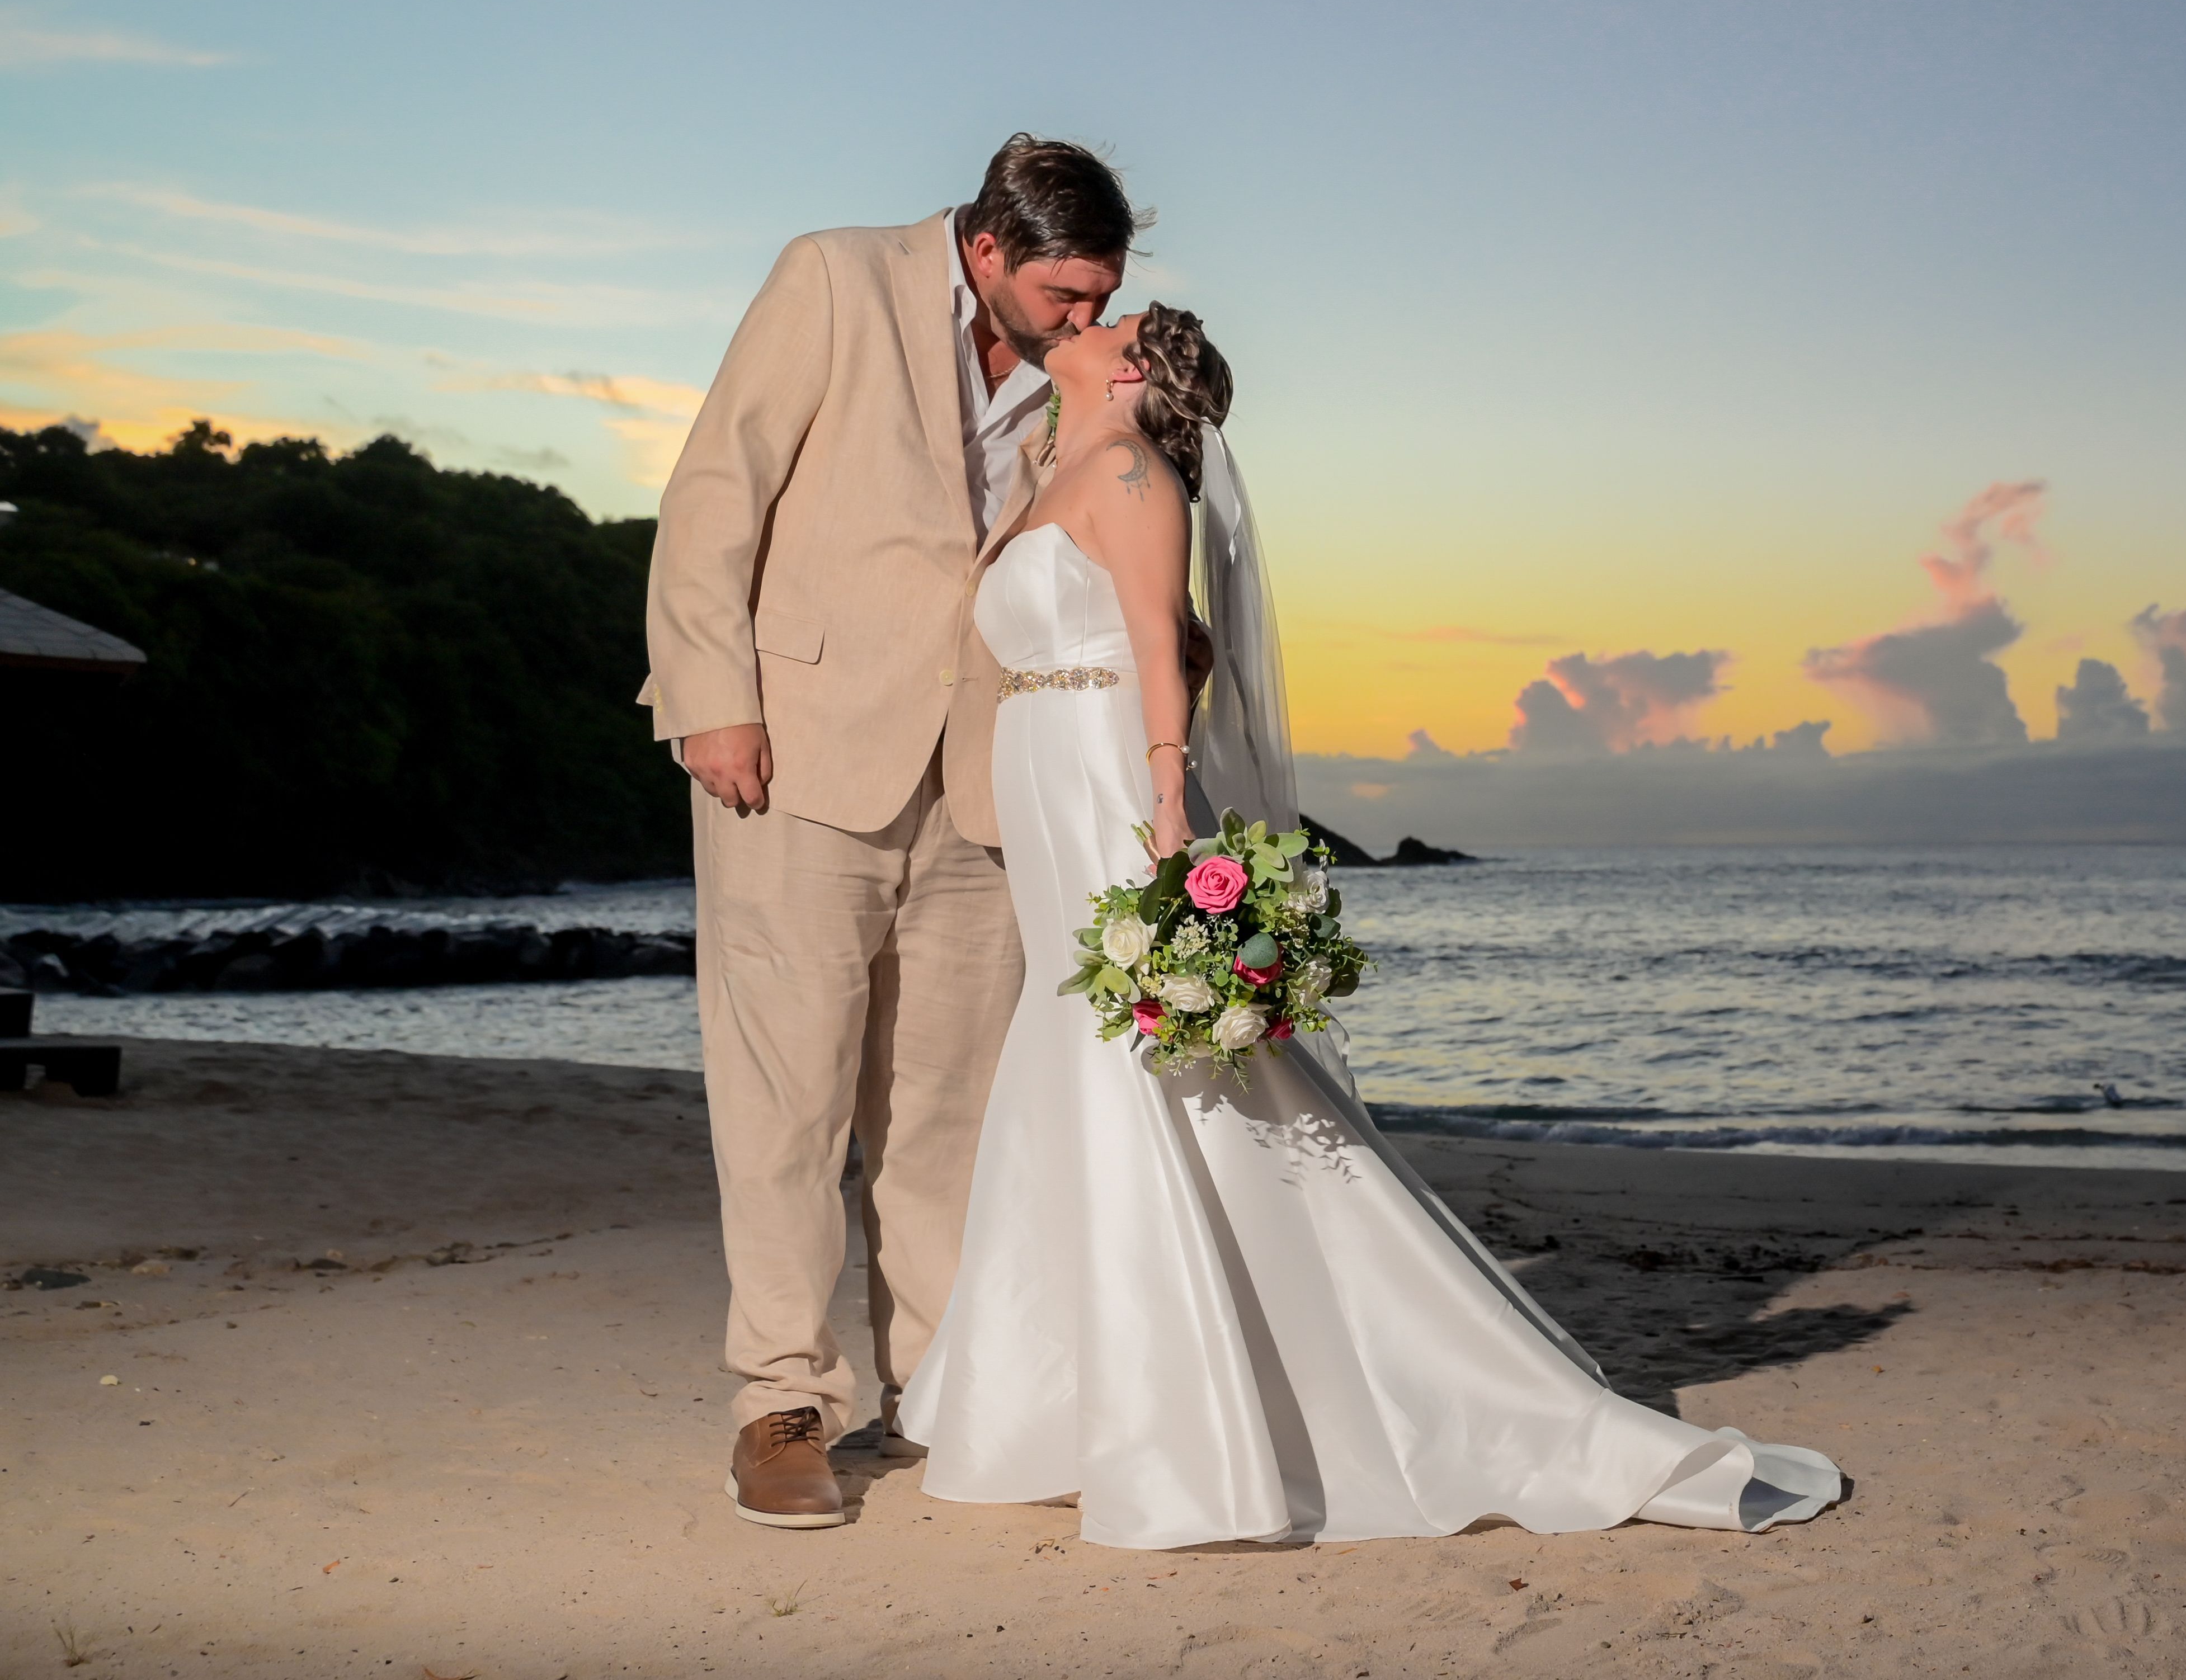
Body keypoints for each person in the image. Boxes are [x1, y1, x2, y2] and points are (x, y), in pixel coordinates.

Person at [898, 304, 1844, 1547]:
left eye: (1104, 314)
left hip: (1110, 775)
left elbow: (1158, 650)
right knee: (1078, 1061)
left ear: (1130, 365)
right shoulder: (1057, 461)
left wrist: (1170, 810)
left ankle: (1192, 1418)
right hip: (1045, 764)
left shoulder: (1132, 473)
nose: (1079, 316)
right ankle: (1081, 1404)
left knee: (1139, 1058)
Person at [640, 136, 1145, 1527]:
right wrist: (711, 702)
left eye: (1101, 296)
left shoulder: (1081, 370)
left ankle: (948, 1389)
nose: (1084, 324)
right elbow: (715, 491)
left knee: (947, 1117)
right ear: (986, 249)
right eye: (1062, 296)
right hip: (792, 755)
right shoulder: (833, 279)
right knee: (787, 1106)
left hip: (984, 775)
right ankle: (783, 1405)